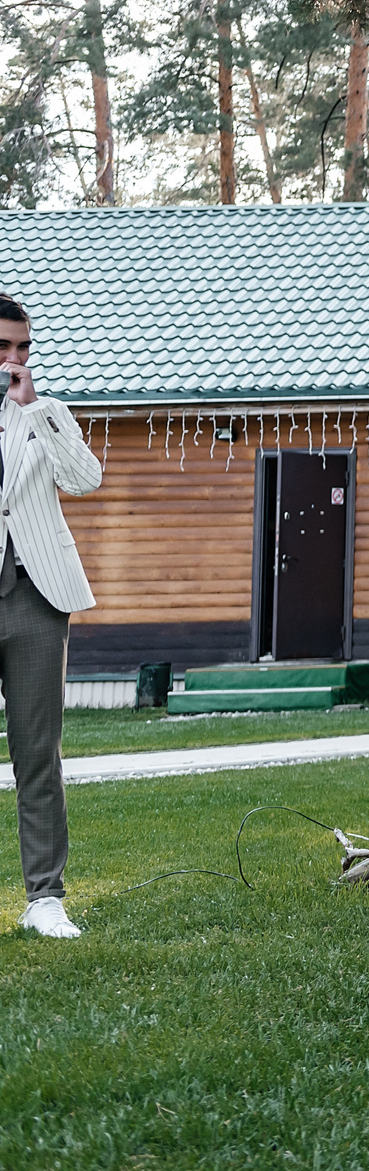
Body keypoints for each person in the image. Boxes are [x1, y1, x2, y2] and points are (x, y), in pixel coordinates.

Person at [0, 294, 102, 940]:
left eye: (23, 347)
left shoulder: (47, 412)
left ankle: (45, 897)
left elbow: (86, 477)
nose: (14, 358)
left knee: (38, 752)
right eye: (4, 346)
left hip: (37, 595)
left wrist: (33, 411)